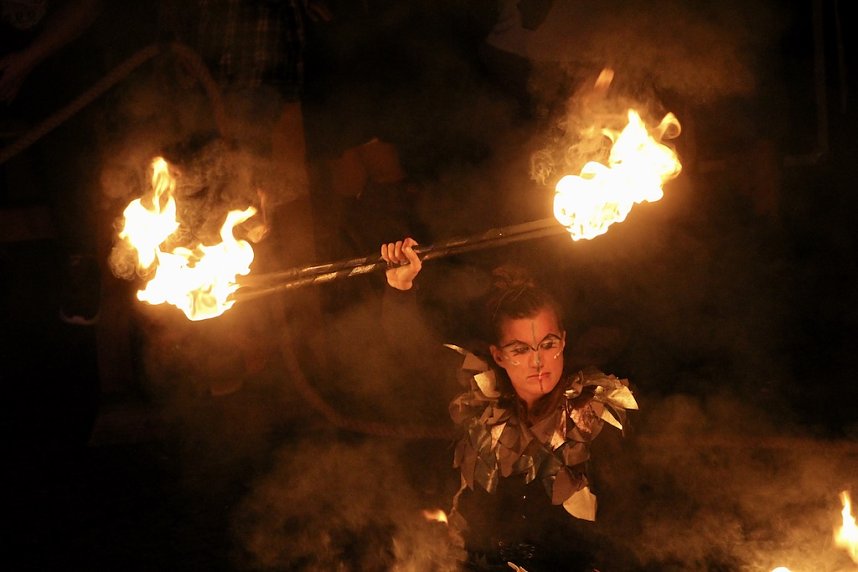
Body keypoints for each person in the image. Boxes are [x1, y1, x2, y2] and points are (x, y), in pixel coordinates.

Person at [380, 237, 639, 571]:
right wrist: (401, 287)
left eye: (548, 344)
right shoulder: (481, 398)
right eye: (520, 350)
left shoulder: (596, 416)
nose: (538, 362)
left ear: (563, 340)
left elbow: (629, 524)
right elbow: (411, 352)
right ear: (498, 355)